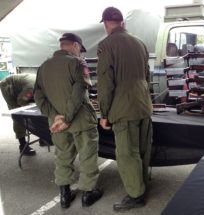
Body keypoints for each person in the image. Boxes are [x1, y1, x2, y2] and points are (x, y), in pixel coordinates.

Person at [34, 33, 103, 208]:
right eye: (80, 49)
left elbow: (38, 95)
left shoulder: (43, 66)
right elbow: (79, 92)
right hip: (81, 121)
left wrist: (55, 115)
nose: (80, 53)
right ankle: (88, 194)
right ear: (75, 45)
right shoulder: (77, 63)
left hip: (56, 123)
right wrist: (68, 117)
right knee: (87, 155)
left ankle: (65, 195)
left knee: (62, 156)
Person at [97, 7, 153, 212]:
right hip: (143, 105)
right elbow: (147, 76)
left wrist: (104, 114)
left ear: (105, 24)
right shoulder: (140, 43)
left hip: (123, 108)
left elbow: (105, 84)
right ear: (123, 22)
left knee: (128, 154)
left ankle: (136, 195)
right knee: (143, 148)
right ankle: (143, 183)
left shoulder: (106, 45)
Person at [0, 73, 37, 156]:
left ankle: (42, 137)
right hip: (8, 86)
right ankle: (23, 145)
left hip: (22, 87)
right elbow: (21, 101)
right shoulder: (32, 87)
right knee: (18, 115)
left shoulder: (43, 84)